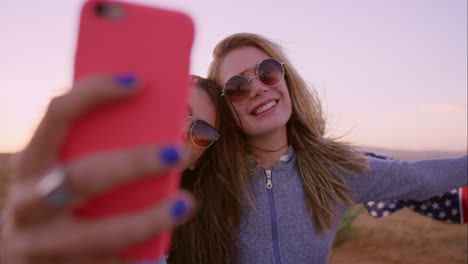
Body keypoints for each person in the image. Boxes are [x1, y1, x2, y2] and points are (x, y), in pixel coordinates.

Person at [168, 33, 467, 264]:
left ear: (287, 79)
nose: (258, 88)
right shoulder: (212, 173)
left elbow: (422, 179)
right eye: (237, 87)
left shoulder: (333, 170)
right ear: (225, 112)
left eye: (267, 72)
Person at [0, 75, 221, 263]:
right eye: (177, 112)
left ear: (196, 163)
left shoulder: (179, 241)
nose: (183, 130)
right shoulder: (61, 195)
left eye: (201, 133)